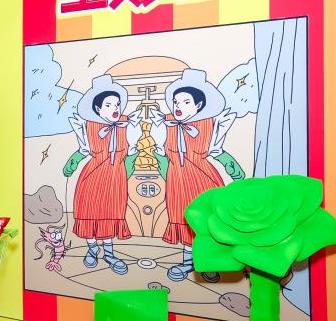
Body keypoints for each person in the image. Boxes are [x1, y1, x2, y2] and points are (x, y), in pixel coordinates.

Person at [151, 69, 244, 282]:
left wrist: (235, 172)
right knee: (183, 220)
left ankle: (209, 262)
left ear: (199, 105)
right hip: (176, 180)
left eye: (186, 102)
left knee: (204, 221)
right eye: (176, 102)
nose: (179, 106)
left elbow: (217, 151)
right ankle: (188, 262)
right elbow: (162, 153)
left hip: (201, 179)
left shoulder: (209, 124)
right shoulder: (168, 124)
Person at [63, 75, 137, 275]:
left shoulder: (126, 126)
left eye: (117, 104)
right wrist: (73, 162)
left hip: (115, 178)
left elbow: (131, 152)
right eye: (108, 105)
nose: (115, 108)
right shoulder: (88, 126)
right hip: (92, 177)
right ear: (97, 108)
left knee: (109, 214)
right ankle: (93, 249)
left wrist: (129, 168)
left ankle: (109, 254)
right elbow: (83, 150)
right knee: (90, 213)